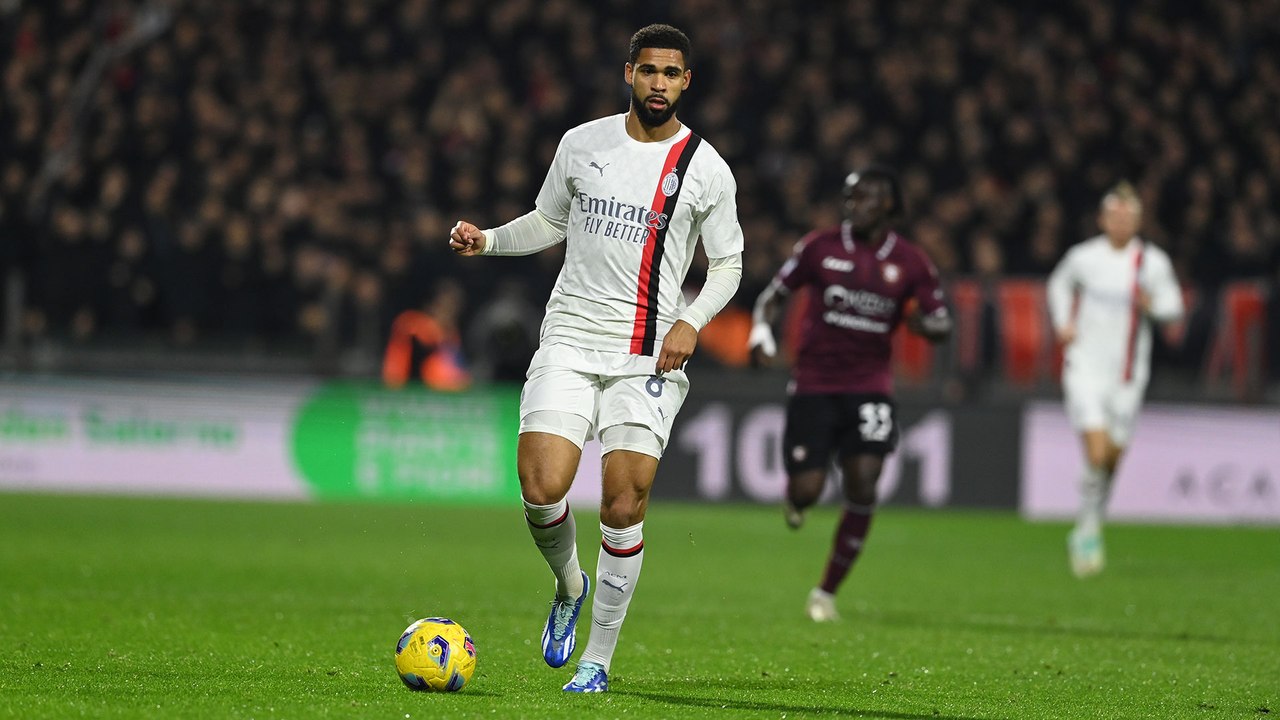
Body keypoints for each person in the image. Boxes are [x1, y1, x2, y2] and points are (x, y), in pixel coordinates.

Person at [448, 24, 743, 693]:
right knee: (541, 488)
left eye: (672, 73)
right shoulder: (582, 143)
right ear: (628, 73)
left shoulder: (706, 167)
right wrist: (488, 241)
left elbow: (729, 262)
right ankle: (569, 584)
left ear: (686, 82)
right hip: (571, 338)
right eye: (649, 71)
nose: (659, 84)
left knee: (623, 500)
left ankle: (597, 661)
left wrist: (693, 320)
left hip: (648, 355)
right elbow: (549, 221)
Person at [748, 165, 952, 622]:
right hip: (814, 385)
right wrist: (761, 331)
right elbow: (772, 296)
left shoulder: (912, 261)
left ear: (889, 206)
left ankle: (826, 593)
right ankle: (796, 501)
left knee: (863, 483)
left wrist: (925, 324)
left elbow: (943, 321)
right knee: (807, 491)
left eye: (865, 198)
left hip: (870, 387)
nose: (853, 205)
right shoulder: (818, 248)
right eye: (850, 197)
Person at [1046, 181, 1184, 578]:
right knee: (1096, 451)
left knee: (1110, 458)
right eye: (1115, 214)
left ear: (1138, 221)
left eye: (1129, 216)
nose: (1121, 221)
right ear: (1103, 219)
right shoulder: (1083, 257)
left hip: (1127, 375)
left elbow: (1174, 308)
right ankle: (1087, 530)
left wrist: (1153, 306)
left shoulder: (1151, 263)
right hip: (1084, 367)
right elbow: (1058, 285)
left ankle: (1089, 517)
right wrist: (1063, 324)